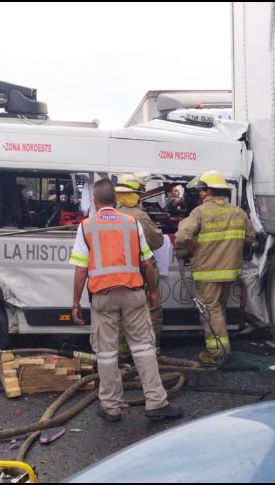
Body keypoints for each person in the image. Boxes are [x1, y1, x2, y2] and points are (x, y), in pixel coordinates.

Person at [70, 179, 183, 422]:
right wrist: (152, 291)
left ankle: (111, 407)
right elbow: (148, 262)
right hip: (133, 294)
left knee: (107, 354)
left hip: (103, 297)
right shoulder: (131, 223)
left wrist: (76, 303)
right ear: (116, 200)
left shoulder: (86, 227)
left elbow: (81, 269)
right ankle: (156, 402)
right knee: (143, 348)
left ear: (96, 201)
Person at [175, 170, 256, 366]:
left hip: (207, 272)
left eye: (202, 190)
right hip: (230, 272)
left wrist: (194, 247)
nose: (200, 194)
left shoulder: (199, 212)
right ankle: (222, 347)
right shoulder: (238, 212)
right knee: (219, 309)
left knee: (211, 311)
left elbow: (182, 237)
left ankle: (217, 353)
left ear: (208, 191)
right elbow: (250, 237)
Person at [115, 173, 165, 353]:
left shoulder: (107, 216)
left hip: (117, 273)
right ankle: (151, 349)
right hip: (142, 272)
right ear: (136, 194)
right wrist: (157, 231)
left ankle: (122, 349)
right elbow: (157, 243)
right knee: (151, 311)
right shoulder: (140, 217)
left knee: (121, 313)